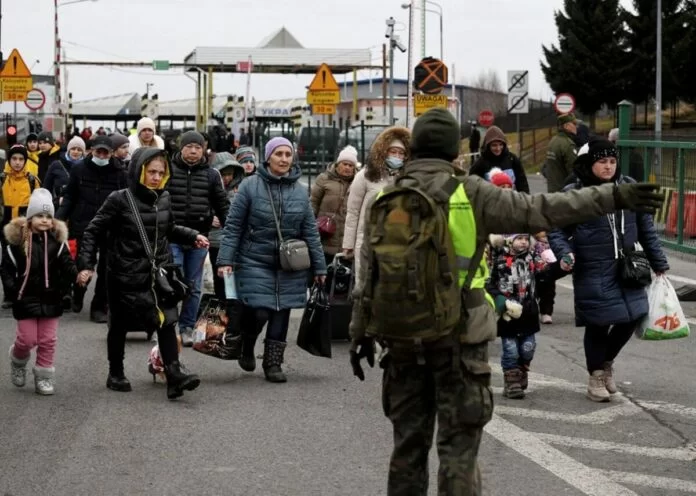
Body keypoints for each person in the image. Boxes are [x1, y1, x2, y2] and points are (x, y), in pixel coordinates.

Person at [347, 108, 665, 495]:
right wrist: (613, 195)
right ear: (453, 149)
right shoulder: (471, 192)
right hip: (460, 337)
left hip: (401, 339)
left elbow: (369, 272)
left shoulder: (386, 199)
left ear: (412, 149)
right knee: (458, 451)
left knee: (407, 449)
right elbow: (542, 210)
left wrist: (360, 331)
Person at [77, 148, 209, 399]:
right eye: (152, 172)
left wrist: (193, 236)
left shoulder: (165, 198)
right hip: (124, 275)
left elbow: (168, 228)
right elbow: (92, 230)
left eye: (161, 172)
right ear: (139, 170)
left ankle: (174, 377)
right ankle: (115, 373)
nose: (156, 177)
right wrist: (86, 265)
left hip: (158, 273)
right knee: (119, 326)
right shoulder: (119, 199)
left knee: (167, 321)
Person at [548, 137, 669, 402]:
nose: (608, 166)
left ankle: (605, 365)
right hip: (593, 266)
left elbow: (646, 229)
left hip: (629, 266)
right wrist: (564, 253)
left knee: (633, 316)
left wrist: (659, 263)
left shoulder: (628, 188)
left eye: (612, 161)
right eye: (602, 161)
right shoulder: (575, 193)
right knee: (599, 323)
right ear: (589, 163)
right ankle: (595, 378)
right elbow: (556, 230)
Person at [217, 137, 327, 383]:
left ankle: (273, 362)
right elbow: (234, 227)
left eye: (288, 154)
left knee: (282, 310)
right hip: (254, 259)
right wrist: (225, 259)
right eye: (279, 154)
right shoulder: (249, 187)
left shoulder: (300, 192)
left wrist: (320, 267)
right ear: (268, 157)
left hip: (290, 264)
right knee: (261, 311)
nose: (284, 159)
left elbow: (310, 231)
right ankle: (248, 342)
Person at [2, 188, 77, 395]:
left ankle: (44, 378)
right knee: (27, 340)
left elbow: (67, 266)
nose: (44, 220)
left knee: (48, 340)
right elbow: (7, 269)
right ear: (30, 217)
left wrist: (75, 277)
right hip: (25, 298)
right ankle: (18, 360)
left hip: (51, 298)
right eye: (39, 216)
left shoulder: (58, 244)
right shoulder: (17, 244)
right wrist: (13, 290)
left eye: (48, 217)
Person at [166, 131, 229, 346]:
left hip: (199, 239)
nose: (193, 151)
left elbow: (222, 205)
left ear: (204, 150)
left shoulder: (211, 175)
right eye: (189, 146)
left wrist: (231, 231)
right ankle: (167, 327)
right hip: (172, 236)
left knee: (194, 286)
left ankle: (187, 327)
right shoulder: (169, 170)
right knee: (174, 283)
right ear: (180, 148)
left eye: (198, 147)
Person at [56, 135, 128, 322]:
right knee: (83, 263)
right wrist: (59, 219)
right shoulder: (79, 169)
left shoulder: (120, 172)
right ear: (91, 151)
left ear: (112, 153)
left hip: (110, 226)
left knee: (106, 268)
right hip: (84, 225)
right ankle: (78, 291)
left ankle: (99, 307)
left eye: (106, 152)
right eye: (99, 151)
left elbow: (126, 201)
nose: (102, 155)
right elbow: (70, 196)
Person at [342, 126, 410, 288]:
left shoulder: (407, 178)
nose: (397, 157)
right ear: (384, 151)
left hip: (397, 242)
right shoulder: (365, 176)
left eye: (401, 153)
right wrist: (348, 244)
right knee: (365, 286)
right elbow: (353, 212)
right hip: (366, 240)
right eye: (393, 152)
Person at [487, 233, 547, 398]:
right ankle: (511, 381)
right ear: (508, 240)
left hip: (528, 311)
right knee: (510, 349)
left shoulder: (532, 258)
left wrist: (555, 264)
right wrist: (499, 299)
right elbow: (489, 282)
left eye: (526, 239)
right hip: (508, 312)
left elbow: (546, 273)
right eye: (519, 238)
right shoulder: (499, 258)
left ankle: (522, 369)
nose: (523, 242)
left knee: (528, 348)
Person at [1, 145, 41, 309]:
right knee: (7, 261)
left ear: (25, 161)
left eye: (21, 159)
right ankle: (10, 294)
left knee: (26, 260)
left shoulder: (33, 181)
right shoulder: (2, 179)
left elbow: (40, 206)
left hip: (26, 226)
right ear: (9, 160)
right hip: (5, 225)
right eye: (14, 159)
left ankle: (25, 292)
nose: (17, 162)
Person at [310, 145, 356, 267]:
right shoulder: (324, 179)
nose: (347, 167)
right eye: (344, 164)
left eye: (350, 165)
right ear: (337, 164)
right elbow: (313, 204)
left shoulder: (358, 183)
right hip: (325, 236)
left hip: (347, 241)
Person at [208, 152, 245, 300]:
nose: (227, 178)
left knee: (234, 280)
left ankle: (232, 311)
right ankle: (220, 312)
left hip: (236, 242)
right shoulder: (209, 189)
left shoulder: (240, 190)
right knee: (220, 280)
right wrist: (209, 218)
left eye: (230, 174)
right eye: (224, 174)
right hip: (216, 241)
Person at [470, 126, 530, 193]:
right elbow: (473, 187)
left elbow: (522, 183)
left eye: (500, 145)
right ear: (488, 146)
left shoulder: (512, 159)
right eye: (494, 145)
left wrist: (525, 200)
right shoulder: (480, 164)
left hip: (511, 200)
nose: (498, 148)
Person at [43, 136, 86, 209]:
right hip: (58, 208)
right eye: (73, 149)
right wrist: (54, 203)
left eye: (79, 150)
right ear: (68, 150)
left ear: (83, 152)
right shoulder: (56, 165)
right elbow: (46, 189)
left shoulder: (86, 166)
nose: (76, 152)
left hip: (80, 209)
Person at [543, 113, 578, 193]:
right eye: (574, 124)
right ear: (566, 126)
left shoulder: (553, 141)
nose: (576, 127)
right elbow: (573, 171)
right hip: (564, 193)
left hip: (553, 190)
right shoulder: (568, 144)